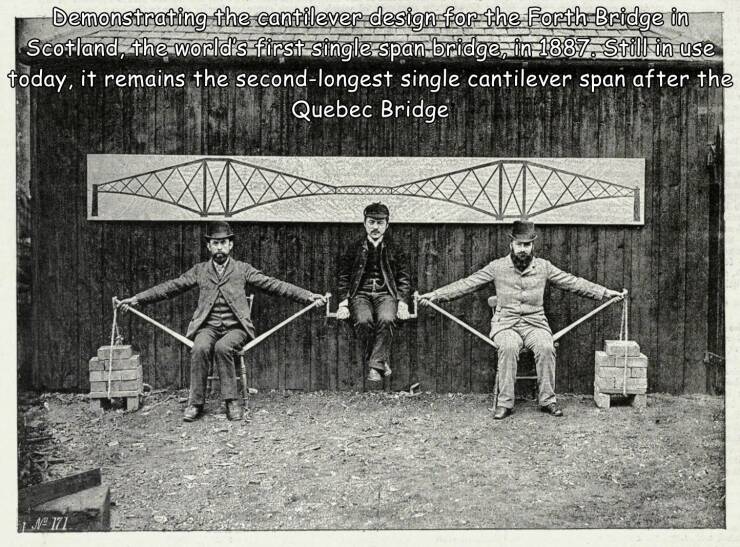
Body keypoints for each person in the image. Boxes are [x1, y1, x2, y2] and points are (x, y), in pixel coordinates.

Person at [117, 221, 327, 422]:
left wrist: (308, 296)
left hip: (236, 329)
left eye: (223, 243)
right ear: (208, 246)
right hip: (207, 328)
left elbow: (274, 285)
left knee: (222, 347)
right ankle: (195, 403)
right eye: (215, 243)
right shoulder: (200, 270)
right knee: (199, 348)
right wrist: (137, 299)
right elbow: (171, 287)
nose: (219, 247)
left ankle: (231, 401)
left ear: (230, 245)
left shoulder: (243, 269)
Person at [418, 220, 624, 419]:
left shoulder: (544, 267)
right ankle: (505, 403)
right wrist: (435, 295)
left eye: (527, 245)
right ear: (511, 244)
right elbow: (467, 283)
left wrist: (604, 292)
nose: (523, 249)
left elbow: (573, 282)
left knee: (546, 347)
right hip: (505, 325)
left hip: (535, 325)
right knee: (508, 347)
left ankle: (548, 400)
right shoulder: (497, 267)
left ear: (533, 245)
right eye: (519, 244)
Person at [336, 203, 412, 383]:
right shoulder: (354, 247)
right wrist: (343, 304)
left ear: (387, 224)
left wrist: (402, 302)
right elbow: (343, 277)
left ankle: (375, 366)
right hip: (360, 294)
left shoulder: (395, 247)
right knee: (363, 321)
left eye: (380, 223)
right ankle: (379, 362)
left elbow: (404, 277)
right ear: (364, 224)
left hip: (386, 294)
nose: (375, 227)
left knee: (387, 319)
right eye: (371, 222)